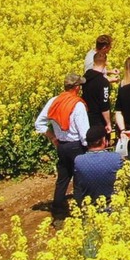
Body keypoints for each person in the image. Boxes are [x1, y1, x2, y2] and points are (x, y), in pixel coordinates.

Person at [36, 73, 90, 220]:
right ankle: (81, 212)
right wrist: (89, 148)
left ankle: (58, 212)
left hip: (62, 146)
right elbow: (84, 134)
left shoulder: (54, 101)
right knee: (80, 179)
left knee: (63, 178)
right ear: (77, 88)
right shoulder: (77, 105)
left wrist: (53, 137)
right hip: (76, 146)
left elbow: (39, 124)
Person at [73, 126, 124, 208]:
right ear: (104, 141)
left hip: (90, 209)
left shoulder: (78, 160)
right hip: (113, 208)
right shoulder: (116, 158)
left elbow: (77, 188)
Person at [82, 51, 112, 135]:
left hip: (86, 118)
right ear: (105, 63)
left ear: (94, 61)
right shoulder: (103, 82)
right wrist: (108, 123)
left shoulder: (85, 77)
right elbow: (104, 105)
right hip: (98, 121)